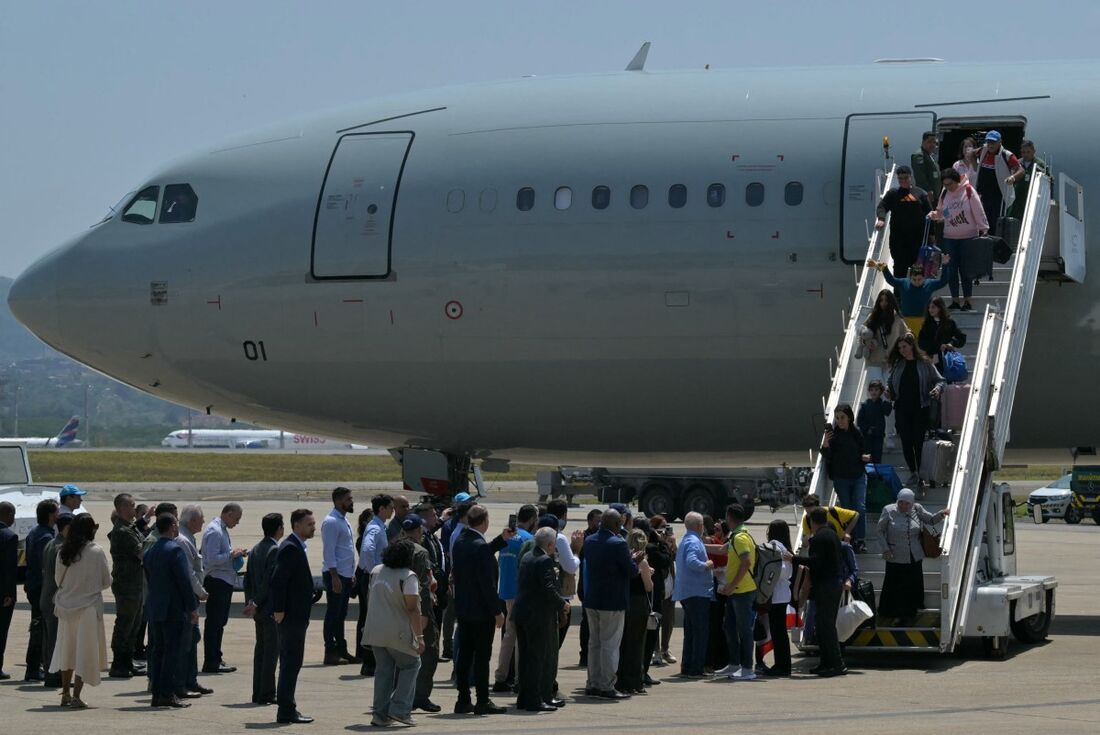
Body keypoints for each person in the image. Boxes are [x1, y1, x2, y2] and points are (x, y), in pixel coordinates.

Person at [451, 505, 514, 715]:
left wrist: (500, 540)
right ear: (485, 522)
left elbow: (479, 554)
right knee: (481, 657)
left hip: (464, 609)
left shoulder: (461, 541)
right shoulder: (478, 546)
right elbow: (486, 583)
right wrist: (497, 611)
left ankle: (463, 699)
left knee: (464, 655)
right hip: (481, 612)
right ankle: (482, 700)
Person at [50, 514, 112, 707]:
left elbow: (57, 580)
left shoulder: (62, 552)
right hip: (88, 609)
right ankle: (77, 695)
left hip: (65, 608)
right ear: (90, 529)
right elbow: (106, 582)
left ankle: (65, 693)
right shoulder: (96, 551)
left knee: (66, 650)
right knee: (85, 652)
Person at [364, 538, 426, 727]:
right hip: (397, 632)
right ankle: (399, 709)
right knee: (412, 665)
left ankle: (380, 714)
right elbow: (412, 608)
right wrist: (419, 637)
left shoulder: (376, 571)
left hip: (375, 631)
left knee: (383, 671)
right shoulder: (408, 576)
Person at [144, 514, 200, 708]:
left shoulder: (151, 550)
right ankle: (167, 693)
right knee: (171, 652)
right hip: (172, 609)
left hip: (155, 607)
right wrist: (192, 607)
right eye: (175, 525)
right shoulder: (174, 549)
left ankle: (157, 693)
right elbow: (183, 581)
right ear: (171, 527)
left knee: (158, 652)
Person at [581, 508, 638, 698]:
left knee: (594, 643)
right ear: (616, 525)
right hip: (612, 601)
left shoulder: (589, 540)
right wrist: (635, 560)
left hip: (593, 598)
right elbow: (631, 571)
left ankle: (593, 682)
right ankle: (606, 685)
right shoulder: (618, 543)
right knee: (610, 644)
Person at [269, 508, 317, 725]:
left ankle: (287, 708)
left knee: (291, 662)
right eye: (309, 524)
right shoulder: (290, 548)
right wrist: (279, 609)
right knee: (290, 663)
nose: (313, 527)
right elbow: (278, 581)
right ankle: (286, 710)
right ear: (296, 525)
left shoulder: (296, 546)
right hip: (291, 618)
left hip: (296, 615)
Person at [513, 526, 568, 711]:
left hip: (522, 614)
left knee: (527, 658)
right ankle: (535, 699)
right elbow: (548, 588)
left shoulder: (528, 556)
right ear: (551, 544)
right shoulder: (544, 560)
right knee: (537, 658)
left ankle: (527, 697)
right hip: (536, 616)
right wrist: (563, 604)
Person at [877, 489, 949, 621]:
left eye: (907, 504)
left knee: (913, 583)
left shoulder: (917, 508)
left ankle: (911, 611)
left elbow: (931, 520)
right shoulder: (888, 510)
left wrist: (942, 513)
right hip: (894, 555)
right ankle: (891, 612)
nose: (904, 506)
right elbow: (880, 531)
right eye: (901, 503)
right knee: (894, 584)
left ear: (912, 503)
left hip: (914, 555)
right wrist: (885, 549)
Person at [886, 334, 946, 486]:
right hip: (901, 408)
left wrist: (937, 389)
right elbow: (890, 381)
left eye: (904, 347)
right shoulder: (898, 364)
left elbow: (940, 380)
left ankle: (920, 472)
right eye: (899, 348)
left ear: (912, 346)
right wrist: (889, 390)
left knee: (918, 442)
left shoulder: (924, 363)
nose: (902, 350)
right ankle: (913, 471)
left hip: (920, 408)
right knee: (906, 441)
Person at [792, 507, 846, 677]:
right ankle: (827, 663)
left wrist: (793, 559)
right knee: (825, 626)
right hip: (834, 584)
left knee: (825, 627)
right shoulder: (832, 533)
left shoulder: (819, 538)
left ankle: (835, 664)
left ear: (811, 521)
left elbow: (815, 563)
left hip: (826, 586)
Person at [929, 168, 989, 311]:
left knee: (966, 270)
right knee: (950, 269)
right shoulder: (945, 193)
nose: (948, 187)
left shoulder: (968, 190)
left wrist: (984, 229)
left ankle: (967, 300)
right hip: (950, 237)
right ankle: (955, 300)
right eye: (945, 184)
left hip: (969, 237)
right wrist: (934, 215)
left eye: (950, 184)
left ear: (957, 180)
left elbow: (978, 210)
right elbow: (941, 212)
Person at [493, 503, 537, 693]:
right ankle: (521, 678)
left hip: (505, 591)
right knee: (522, 637)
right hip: (521, 592)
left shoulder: (507, 537)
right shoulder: (529, 539)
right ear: (534, 519)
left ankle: (501, 677)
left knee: (509, 636)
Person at [201, 502, 246, 674]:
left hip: (224, 581)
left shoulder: (221, 529)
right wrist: (231, 555)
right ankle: (211, 661)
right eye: (236, 518)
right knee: (215, 623)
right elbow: (211, 559)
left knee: (219, 622)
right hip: (216, 581)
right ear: (227, 514)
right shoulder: (215, 531)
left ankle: (216, 658)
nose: (237, 522)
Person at [821, 404, 873, 551]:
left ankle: (860, 539)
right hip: (841, 478)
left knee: (859, 508)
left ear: (849, 417)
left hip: (858, 475)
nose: (839, 421)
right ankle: (850, 538)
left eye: (842, 417)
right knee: (847, 509)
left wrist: (864, 456)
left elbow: (863, 450)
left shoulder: (856, 433)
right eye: (837, 418)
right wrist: (825, 444)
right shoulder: (833, 435)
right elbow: (828, 456)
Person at [244, 512, 283, 705]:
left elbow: (248, 579)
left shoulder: (256, 548)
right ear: (279, 529)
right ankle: (267, 693)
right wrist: (257, 602)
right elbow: (269, 581)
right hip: (268, 609)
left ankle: (257, 692)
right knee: (270, 653)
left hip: (258, 609)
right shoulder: (275, 550)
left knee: (260, 651)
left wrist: (250, 602)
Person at [716, 504, 757, 680]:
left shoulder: (740, 538)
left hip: (742, 590)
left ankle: (747, 668)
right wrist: (698, 543)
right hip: (736, 591)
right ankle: (734, 664)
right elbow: (720, 549)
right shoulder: (736, 536)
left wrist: (732, 585)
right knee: (730, 627)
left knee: (744, 630)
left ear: (730, 517)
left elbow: (746, 562)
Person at [108, 493, 146, 679]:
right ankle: (119, 663)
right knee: (125, 623)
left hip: (135, 583)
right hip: (126, 584)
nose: (134, 507)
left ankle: (128, 660)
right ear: (122, 508)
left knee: (135, 624)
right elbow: (142, 552)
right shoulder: (122, 531)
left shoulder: (130, 527)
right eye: (131, 505)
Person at [176, 506, 212, 698]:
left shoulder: (187, 536)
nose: (203, 522)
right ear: (192, 521)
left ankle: (191, 680)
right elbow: (188, 573)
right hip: (189, 597)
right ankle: (183, 682)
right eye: (201, 519)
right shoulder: (182, 540)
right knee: (187, 641)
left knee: (193, 639)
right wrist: (200, 591)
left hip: (192, 597)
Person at [673, 511, 714, 678]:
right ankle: (696, 668)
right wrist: (707, 565)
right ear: (699, 526)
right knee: (700, 632)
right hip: (697, 593)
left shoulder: (686, 540)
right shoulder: (694, 542)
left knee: (691, 632)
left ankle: (688, 666)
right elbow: (692, 562)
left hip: (688, 593)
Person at [616, 517, 653, 695]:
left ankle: (621, 679)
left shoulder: (625, 559)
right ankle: (634, 681)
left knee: (623, 643)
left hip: (624, 601)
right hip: (639, 604)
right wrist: (649, 574)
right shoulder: (642, 562)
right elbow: (648, 586)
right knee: (637, 644)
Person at [874, 165, 932, 278]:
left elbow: (930, 214)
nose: (903, 180)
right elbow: (882, 206)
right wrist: (881, 218)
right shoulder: (893, 194)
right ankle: (898, 296)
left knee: (918, 275)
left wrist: (932, 234)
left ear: (911, 177)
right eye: (900, 178)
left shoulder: (920, 193)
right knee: (900, 274)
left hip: (918, 241)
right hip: (899, 242)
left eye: (906, 177)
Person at [414, 503, 446, 713]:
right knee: (429, 652)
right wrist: (425, 613)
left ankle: (414, 695)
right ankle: (419, 696)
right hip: (422, 606)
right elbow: (424, 583)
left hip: (424, 603)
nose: (436, 518)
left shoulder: (427, 536)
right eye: (433, 515)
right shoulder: (419, 548)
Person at [358, 493, 394, 676]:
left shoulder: (379, 526)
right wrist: (373, 572)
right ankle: (369, 663)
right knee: (372, 620)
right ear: (382, 509)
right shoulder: (375, 528)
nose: (392, 510)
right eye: (390, 507)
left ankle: (370, 663)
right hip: (372, 578)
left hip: (372, 577)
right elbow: (367, 549)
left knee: (371, 618)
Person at [321, 487, 357, 665]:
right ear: (338, 501)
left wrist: (350, 574)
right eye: (348, 499)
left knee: (341, 614)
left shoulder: (343, 520)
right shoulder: (331, 522)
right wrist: (334, 577)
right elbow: (329, 552)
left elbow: (345, 551)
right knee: (333, 613)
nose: (351, 502)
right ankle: (330, 651)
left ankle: (341, 649)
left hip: (345, 574)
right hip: (335, 575)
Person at [867, 260, 951, 336]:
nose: (917, 282)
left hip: (923, 320)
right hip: (905, 320)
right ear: (910, 277)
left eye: (919, 279)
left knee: (921, 346)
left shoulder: (929, 284)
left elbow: (943, 282)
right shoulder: (904, 283)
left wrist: (945, 265)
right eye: (914, 279)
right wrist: (884, 268)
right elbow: (891, 280)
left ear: (924, 277)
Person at [23, 499, 57, 681]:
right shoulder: (46, 538)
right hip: (41, 588)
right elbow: (45, 567)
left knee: (38, 626)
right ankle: (34, 668)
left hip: (34, 586)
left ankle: (34, 667)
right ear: (52, 515)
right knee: (40, 628)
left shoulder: (36, 532)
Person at [41, 513, 73, 689]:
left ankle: (51, 673)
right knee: (54, 639)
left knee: (50, 638)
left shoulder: (50, 543)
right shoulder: (61, 547)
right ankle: (53, 676)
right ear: (67, 528)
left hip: (47, 597)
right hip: (55, 599)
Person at [639, 518, 671, 685]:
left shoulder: (634, 548)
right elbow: (666, 560)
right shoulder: (652, 548)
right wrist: (663, 543)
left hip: (638, 598)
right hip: (652, 597)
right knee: (651, 633)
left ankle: (638, 671)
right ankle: (642, 672)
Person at [974, 130, 1024, 231]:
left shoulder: (1007, 155)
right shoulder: (983, 150)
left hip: (999, 196)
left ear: (1000, 142)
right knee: (983, 222)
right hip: (984, 195)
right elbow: (971, 153)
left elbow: (1021, 170)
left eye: (993, 142)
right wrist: (973, 165)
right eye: (988, 142)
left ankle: (996, 243)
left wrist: (1013, 177)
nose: (990, 145)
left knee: (997, 223)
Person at [762, 520, 793, 677]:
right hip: (783, 594)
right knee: (780, 632)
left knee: (777, 632)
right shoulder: (786, 547)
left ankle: (782, 666)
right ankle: (782, 664)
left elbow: (777, 570)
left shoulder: (775, 546)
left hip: (776, 595)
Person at [860, 289, 910, 385]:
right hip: (874, 360)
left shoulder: (897, 318)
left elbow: (906, 333)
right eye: (881, 300)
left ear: (891, 302)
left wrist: (909, 338)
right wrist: (866, 343)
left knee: (889, 393)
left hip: (891, 361)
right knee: (875, 393)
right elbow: (862, 334)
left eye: (886, 300)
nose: (883, 303)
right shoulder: (872, 317)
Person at [648, 515, 677, 666]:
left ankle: (665, 648)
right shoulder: (652, 544)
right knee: (656, 618)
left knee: (669, 619)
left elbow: (674, 557)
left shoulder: (668, 541)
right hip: (658, 585)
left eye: (667, 527)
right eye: (662, 527)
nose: (665, 531)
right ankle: (656, 650)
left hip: (670, 583)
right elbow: (661, 560)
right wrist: (662, 543)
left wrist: (672, 544)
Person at [577, 507, 603, 667]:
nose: (600, 523)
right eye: (597, 520)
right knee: (586, 622)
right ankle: (584, 654)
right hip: (586, 585)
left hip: (594, 584)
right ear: (590, 521)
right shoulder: (586, 538)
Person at [918, 297, 967, 369]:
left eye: (933, 307)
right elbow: (921, 342)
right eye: (929, 307)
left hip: (947, 360)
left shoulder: (949, 323)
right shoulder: (926, 324)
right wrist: (938, 346)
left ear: (940, 308)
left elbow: (961, 338)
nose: (930, 310)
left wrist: (951, 343)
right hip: (931, 360)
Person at [1008, 139, 1049, 219]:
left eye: (1028, 152)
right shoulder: (1017, 163)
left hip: (1033, 197)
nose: (1026, 154)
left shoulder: (1040, 164)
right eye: (1023, 152)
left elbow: (1049, 181)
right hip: (1017, 198)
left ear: (1034, 151)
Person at [858, 380, 894, 464]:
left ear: (881, 391)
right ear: (869, 391)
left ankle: (877, 476)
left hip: (878, 436)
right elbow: (860, 421)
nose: (874, 392)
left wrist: (889, 399)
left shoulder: (882, 404)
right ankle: (868, 475)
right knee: (867, 458)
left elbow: (887, 412)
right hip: (867, 437)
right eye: (872, 390)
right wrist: (867, 429)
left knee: (877, 457)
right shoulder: (865, 405)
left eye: (876, 390)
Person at [0, 501, 16, 681]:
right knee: (1, 631)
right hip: (2, 594)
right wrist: (9, 594)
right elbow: (9, 570)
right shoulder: (9, 537)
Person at [911, 131, 942, 201]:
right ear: (923, 142)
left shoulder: (929, 156)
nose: (933, 144)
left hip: (934, 195)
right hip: (926, 195)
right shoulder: (919, 155)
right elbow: (920, 176)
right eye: (930, 142)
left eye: (934, 142)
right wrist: (928, 190)